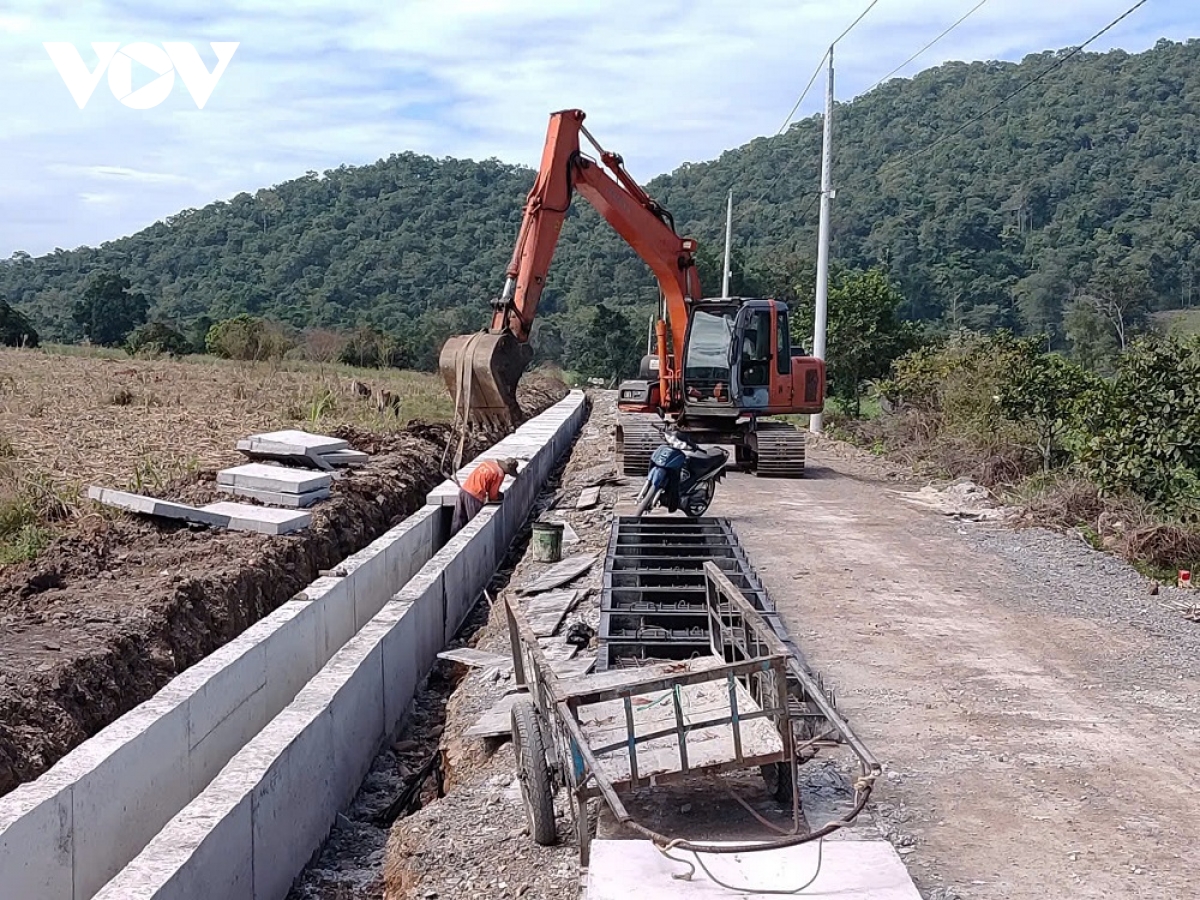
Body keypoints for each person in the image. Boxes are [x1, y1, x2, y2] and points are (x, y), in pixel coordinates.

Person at [452, 457, 519, 532]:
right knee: (474, 523)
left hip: (464, 489)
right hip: (475, 496)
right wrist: (500, 498)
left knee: (458, 519)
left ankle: (452, 537)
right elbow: (492, 496)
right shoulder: (499, 474)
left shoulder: (487, 463)